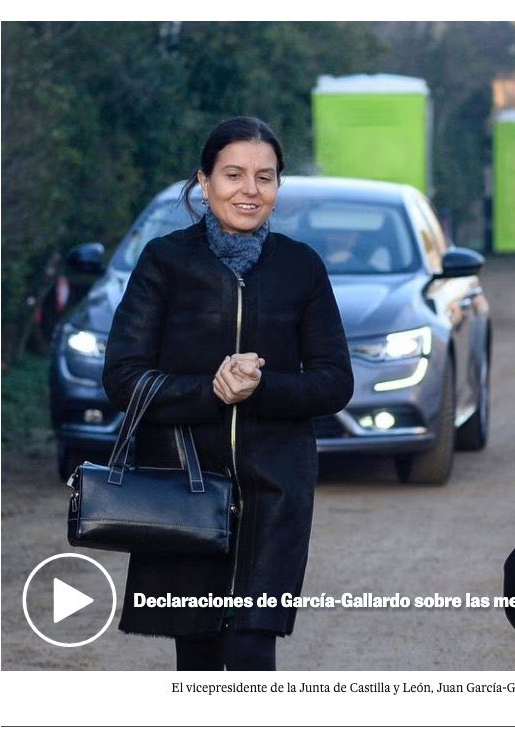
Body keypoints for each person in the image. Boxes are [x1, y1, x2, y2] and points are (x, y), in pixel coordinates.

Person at [103, 116, 353, 670]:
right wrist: (209, 391)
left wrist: (261, 388)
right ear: (204, 181)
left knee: (249, 649)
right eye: (234, 175)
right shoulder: (164, 262)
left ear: (278, 188)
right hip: (183, 489)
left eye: (265, 178)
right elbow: (123, 377)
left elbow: (335, 381)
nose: (250, 190)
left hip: (275, 492)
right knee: (196, 652)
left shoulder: (300, 266)